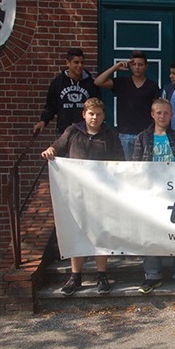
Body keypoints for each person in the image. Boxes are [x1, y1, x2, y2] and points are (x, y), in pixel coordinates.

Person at [40, 98, 124, 296]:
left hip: (101, 194)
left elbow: (121, 163)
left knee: (100, 233)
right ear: (84, 114)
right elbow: (57, 147)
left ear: (104, 116)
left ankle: (101, 275)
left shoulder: (110, 135)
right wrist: (51, 150)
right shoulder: (72, 132)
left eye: (99, 114)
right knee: (76, 231)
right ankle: (75, 276)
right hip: (75, 193)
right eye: (91, 113)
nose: (94, 117)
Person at [132, 98, 175, 294]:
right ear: (152, 114)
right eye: (158, 113)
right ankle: (152, 275)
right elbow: (135, 167)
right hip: (151, 193)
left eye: (166, 113)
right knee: (151, 234)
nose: (162, 116)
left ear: (172, 115)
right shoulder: (142, 138)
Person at [94, 50, 160, 159]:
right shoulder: (122, 82)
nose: (137, 67)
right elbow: (98, 82)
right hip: (125, 134)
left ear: (146, 66)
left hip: (145, 133)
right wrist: (116, 67)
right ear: (130, 66)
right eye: (134, 64)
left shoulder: (152, 86)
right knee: (127, 169)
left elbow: (156, 109)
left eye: (140, 64)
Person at [33, 48, 101, 134]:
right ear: (68, 63)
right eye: (76, 62)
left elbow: (97, 106)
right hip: (64, 131)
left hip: (85, 132)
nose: (80, 65)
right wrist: (43, 121)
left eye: (82, 62)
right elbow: (51, 106)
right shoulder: (58, 83)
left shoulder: (90, 84)